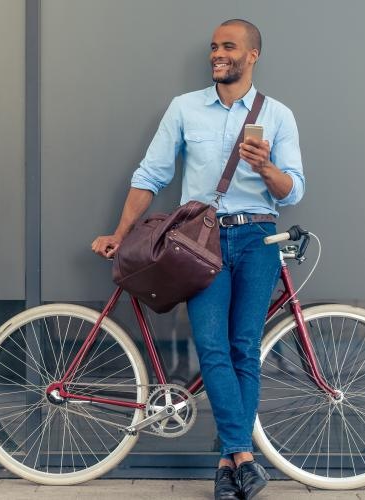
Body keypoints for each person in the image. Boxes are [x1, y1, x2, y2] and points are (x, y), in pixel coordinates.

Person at [91, 19, 305, 500]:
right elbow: (152, 174)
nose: (217, 54)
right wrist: (119, 234)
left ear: (252, 56)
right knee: (212, 348)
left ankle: (229, 469)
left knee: (243, 348)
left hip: (256, 239)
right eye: (213, 47)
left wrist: (265, 166)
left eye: (228, 46)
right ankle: (243, 457)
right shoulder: (185, 108)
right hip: (198, 243)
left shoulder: (279, 116)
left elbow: (293, 190)